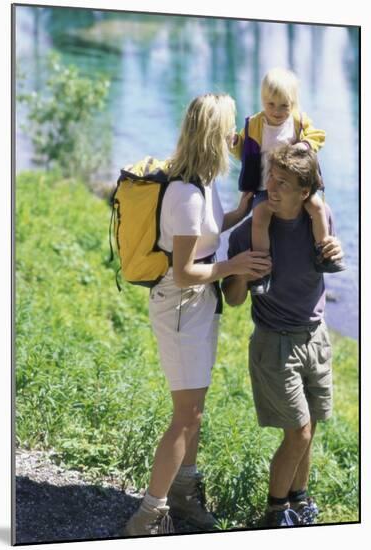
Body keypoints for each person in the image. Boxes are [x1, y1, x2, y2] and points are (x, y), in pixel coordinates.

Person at [122, 93, 271, 537]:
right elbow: (186, 272)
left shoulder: (203, 181)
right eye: (229, 128)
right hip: (181, 306)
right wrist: (235, 266)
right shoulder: (185, 192)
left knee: (195, 412)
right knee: (185, 415)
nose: (235, 137)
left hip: (199, 305)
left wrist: (238, 213)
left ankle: (183, 496)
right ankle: (148, 516)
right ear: (212, 133)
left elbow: (202, 233)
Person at [222, 144, 344, 527]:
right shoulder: (249, 232)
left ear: (304, 192)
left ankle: (299, 499)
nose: (272, 187)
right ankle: (275, 513)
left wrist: (336, 249)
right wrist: (240, 271)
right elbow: (233, 299)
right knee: (299, 432)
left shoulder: (319, 220)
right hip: (275, 343)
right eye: (271, 178)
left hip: (316, 338)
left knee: (310, 429)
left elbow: (328, 262)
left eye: (284, 183)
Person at [231, 67, 344, 295]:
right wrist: (234, 144)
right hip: (265, 186)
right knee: (260, 216)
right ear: (263, 100)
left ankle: (323, 253)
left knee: (317, 207)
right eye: (271, 104)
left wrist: (305, 145)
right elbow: (244, 153)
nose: (277, 111)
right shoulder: (254, 124)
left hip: (295, 187)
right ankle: (262, 271)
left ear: (293, 103)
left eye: (285, 105)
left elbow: (319, 136)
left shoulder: (298, 121)